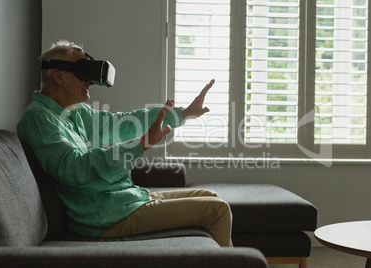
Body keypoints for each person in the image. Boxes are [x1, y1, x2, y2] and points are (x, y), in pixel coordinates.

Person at [17, 40, 233, 247]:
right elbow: (73, 168)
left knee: (209, 195)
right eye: (84, 72)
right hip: (106, 216)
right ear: (58, 76)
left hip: (121, 200)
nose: (90, 82)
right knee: (217, 210)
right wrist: (139, 146)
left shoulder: (76, 112)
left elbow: (123, 124)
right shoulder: (38, 118)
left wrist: (183, 114)